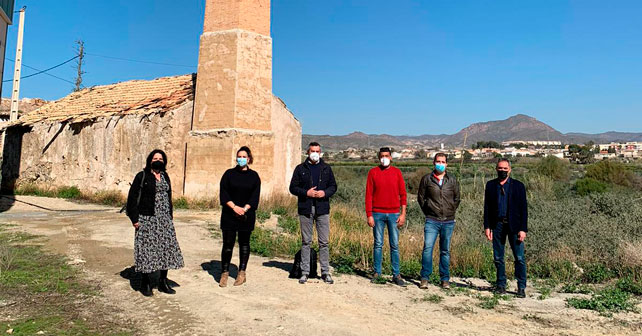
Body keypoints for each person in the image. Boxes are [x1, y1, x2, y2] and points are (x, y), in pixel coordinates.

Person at [127, 149, 184, 297]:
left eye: (160, 158)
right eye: (154, 158)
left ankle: (162, 281)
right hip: (147, 219)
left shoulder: (165, 176)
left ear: (164, 161)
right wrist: (134, 219)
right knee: (147, 251)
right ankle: (145, 282)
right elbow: (132, 199)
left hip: (164, 219)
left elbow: (168, 196)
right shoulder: (142, 176)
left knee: (166, 249)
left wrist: (170, 215)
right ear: (149, 160)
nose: (157, 160)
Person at [289, 142, 337, 284]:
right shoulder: (300, 169)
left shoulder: (326, 169)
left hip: (322, 208)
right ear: (307, 152)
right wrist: (306, 193)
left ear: (320, 152)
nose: (315, 153)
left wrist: (324, 193)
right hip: (306, 208)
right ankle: (305, 272)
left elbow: (333, 186)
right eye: (312, 151)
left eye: (317, 151)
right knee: (306, 241)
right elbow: (293, 187)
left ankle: (325, 272)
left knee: (324, 242)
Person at [483, 158, 528, 298]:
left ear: (510, 169)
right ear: (496, 169)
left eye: (505, 168)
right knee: (498, 257)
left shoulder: (518, 186)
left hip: (514, 226)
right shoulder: (490, 186)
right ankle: (501, 285)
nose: (502, 171)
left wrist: (523, 229)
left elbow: (523, 209)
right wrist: (487, 226)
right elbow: (487, 208)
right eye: (500, 168)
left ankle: (521, 287)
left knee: (519, 257)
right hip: (497, 225)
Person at [218, 146, 261, 287]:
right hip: (230, 213)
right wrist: (234, 207)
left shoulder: (254, 176)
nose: (241, 159)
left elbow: (255, 196)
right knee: (228, 244)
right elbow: (224, 193)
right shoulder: (228, 174)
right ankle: (224, 272)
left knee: (244, 244)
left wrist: (245, 208)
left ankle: (242, 272)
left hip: (246, 215)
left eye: (244, 157)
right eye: (239, 156)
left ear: (249, 159)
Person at [417, 153, 460, 290]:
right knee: (427, 248)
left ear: (447, 164)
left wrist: (451, 210)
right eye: (438, 161)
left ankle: (445, 279)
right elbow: (421, 198)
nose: (440, 164)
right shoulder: (427, 179)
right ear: (433, 163)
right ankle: (425, 278)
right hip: (432, 220)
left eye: (443, 161)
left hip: (448, 221)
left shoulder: (452, 180)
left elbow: (457, 199)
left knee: (445, 250)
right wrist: (428, 211)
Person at [365, 147, 407, 286]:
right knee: (378, 244)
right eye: (382, 156)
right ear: (379, 158)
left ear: (391, 157)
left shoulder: (397, 173)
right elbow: (369, 195)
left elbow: (403, 195)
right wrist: (369, 215)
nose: (384, 158)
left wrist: (403, 214)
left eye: (387, 155)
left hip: (394, 214)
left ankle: (396, 274)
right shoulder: (373, 173)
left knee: (394, 245)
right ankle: (377, 273)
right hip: (377, 214)